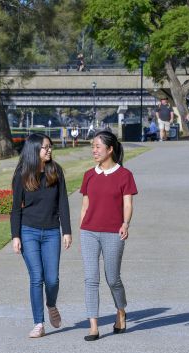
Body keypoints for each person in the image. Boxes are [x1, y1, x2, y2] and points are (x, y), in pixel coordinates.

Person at [11, 133, 73, 338]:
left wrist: (67, 231)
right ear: (34, 150)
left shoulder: (56, 171)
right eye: (45, 147)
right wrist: (15, 236)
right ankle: (39, 323)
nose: (49, 150)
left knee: (52, 279)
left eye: (50, 147)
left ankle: (51, 304)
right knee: (36, 277)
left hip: (52, 232)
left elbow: (63, 202)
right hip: (28, 231)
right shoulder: (21, 174)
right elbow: (15, 209)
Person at [79, 130, 138, 341]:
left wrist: (125, 223)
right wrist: (81, 226)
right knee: (90, 279)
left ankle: (121, 311)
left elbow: (128, 203)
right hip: (89, 232)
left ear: (110, 149)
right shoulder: (88, 175)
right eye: (92, 147)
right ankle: (93, 326)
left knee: (113, 279)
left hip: (114, 232)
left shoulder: (125, 175)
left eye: (97, 146)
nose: (94, 150)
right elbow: (85, 204)